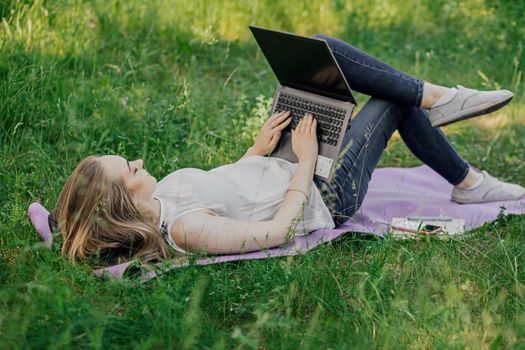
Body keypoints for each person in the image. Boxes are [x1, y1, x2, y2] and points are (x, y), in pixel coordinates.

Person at [54, 34, 525, 265]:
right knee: (389, 100)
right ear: (122, 199)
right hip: (322, 196)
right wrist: (303, 163)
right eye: (130, 168)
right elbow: (280, 231)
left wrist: (257, 149)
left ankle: (446, 121)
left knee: (320, 49)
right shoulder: (186, 227)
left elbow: (226, 187)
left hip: (285, 166)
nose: (139, 162)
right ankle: (451, 135)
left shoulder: (166, 193)